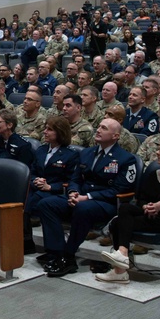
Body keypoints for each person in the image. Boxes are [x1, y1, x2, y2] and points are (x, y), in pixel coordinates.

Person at [37, 118, 138, 277]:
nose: (98, 130)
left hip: (105, 204)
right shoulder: (87, 152)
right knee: (46, 204)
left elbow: (120, 190)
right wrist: (73, 192)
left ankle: (68, 257)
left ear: (115, 136)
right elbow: (75, 179)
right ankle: (56, 252)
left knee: (83, 208)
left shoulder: (126, 159)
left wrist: (87, 197)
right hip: (81, 198)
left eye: (104, 128)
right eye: (98, 127)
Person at [98, 138, 160, 283]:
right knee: (123, 212)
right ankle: (122, 260)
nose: (158, 153)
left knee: (118, 222)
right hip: (151, 216)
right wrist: (146, 206)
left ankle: (120, 266)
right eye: (158, 149)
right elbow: (142, 199)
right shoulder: (155, 174)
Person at [24, 117, 80, 255]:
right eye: (45, 128)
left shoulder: (70, 155)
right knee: (19, 200)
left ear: (60, 132)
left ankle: (52, 249)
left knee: (33, 203)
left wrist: (50, 187)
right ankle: (24, 242)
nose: (45, 132)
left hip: (56, 193)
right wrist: (36, 180)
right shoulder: (41, 150)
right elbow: (31, 172)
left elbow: (72, 180)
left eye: (49, 129)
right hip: (36, 188)